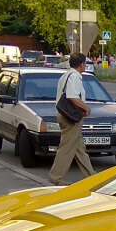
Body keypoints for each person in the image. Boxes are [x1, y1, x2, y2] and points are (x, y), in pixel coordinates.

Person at [48, 52, 94, 186]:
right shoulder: (75, 76)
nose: (85, 65)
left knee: (79, 148)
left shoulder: (66, 75)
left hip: (65, 114)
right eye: (85, 63)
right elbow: (72, 96)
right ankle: (55, 177)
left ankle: (91, 176)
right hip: (71, 117)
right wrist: (86, 108)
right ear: (82, 64)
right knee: (66, 147)